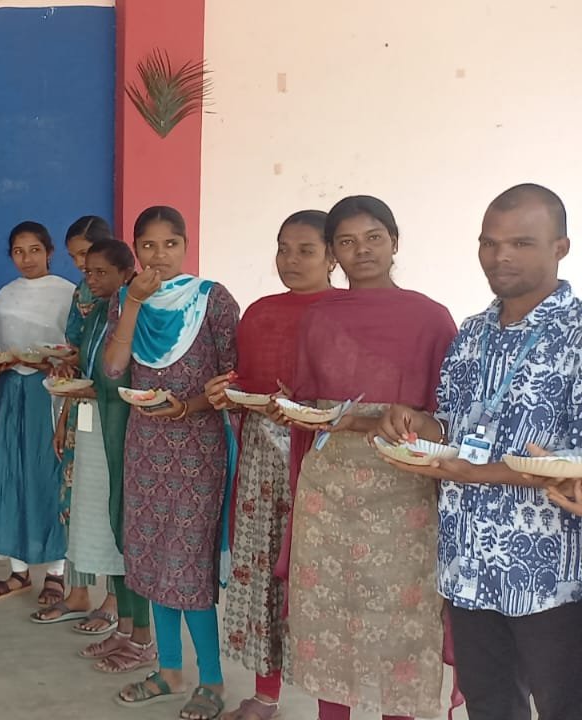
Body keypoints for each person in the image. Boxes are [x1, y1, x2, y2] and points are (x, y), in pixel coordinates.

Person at [380, 184, 582, 719]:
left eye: (521, 242)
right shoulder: (471, 334)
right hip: (467, 563)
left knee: (565, 705)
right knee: (490, 704)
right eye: (489, 243)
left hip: (550, 575)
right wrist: (419, 422)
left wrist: (478, 473)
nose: (501, 256)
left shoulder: (577, 334)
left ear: (560, 247)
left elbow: (577, 462)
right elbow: (456, 423)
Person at [277, 195, 453, 720]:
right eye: (347, 241)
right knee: (328, 612)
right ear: (333, 253)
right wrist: (292, 409)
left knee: (399, 613)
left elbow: (448, 414)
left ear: (395, 242)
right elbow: (309, 401)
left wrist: (368, 420)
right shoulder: (317, 317)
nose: (363, 250)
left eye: (374, 237)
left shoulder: (430, 317)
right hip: (328, 485)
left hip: (403, 486)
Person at [104, 206, 238, 720]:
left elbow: (233, 377)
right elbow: (116, 368)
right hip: (145, 445)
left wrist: (189, 406)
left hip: (198, 445)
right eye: (148, 246)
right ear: (135, 249)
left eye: (170, 245)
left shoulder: (214, 300)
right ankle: (168, 669)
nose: (159, 256)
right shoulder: (127, 298)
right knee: (152, 552)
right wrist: (134, 304)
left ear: (186, 246)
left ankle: (212, 679)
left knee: (187, 562)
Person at [203, 210, 336, 720]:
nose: (290, 260)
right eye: (283, 248)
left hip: (325, 463)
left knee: (320, 577)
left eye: (305, 250)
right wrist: (226, 394)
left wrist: (307, 407)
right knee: (260, 573)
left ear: (331, 256)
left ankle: (334, 700)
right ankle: (265, 695)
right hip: (262, 460)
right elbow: (243, 381)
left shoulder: (344, 313)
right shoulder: (258, 313)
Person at [57, 238, 157, 673]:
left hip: (126, 428)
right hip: (96, 422)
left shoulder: (136, 309)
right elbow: (89, 366)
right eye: (87, 272)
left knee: (128, 524)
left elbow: (125, 371)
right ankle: (122, 627)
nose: (91, 279)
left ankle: (143, 637)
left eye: (100, 272)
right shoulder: (100, 308)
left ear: (126, 271)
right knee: (111, 522)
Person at [0, 222, 76, 602]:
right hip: (10, 391)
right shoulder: (5, 295)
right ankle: (18, 571)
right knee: (9, 473)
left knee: (47, 475)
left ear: (49, 252)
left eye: (34, 250)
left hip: (48, 395)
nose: (27, 258)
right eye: (18, 251)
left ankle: (56, 572)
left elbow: (76, 346)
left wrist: (55, 363)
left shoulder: (67, 293)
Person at [42, 214, 122, 629]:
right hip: (80, 411)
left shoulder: (128, 298)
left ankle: (113, 599)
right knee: (73, 499)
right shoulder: (82, 293)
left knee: (110, 504)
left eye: (87, 257)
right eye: (75, 259)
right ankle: (76, 592)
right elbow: (76, 352)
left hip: (115, 414)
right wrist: (63, 419)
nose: (80, 268)